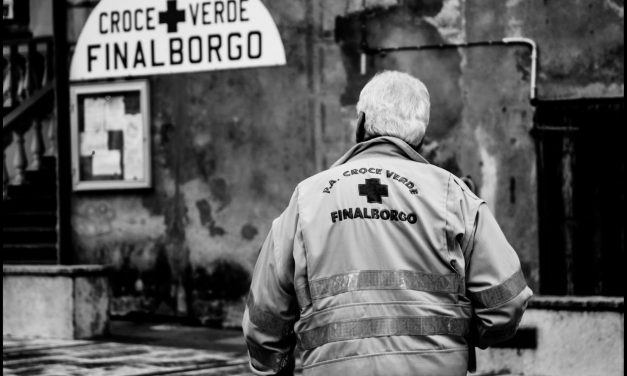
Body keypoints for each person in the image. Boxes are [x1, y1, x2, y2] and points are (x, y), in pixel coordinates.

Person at [242, 71, 533, 376]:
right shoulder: (453, 195)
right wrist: (455, 337)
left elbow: (265, 318)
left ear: (360, 122)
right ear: (420, 134)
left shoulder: (307, 198)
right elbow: (506, 305)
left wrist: (274, 367)